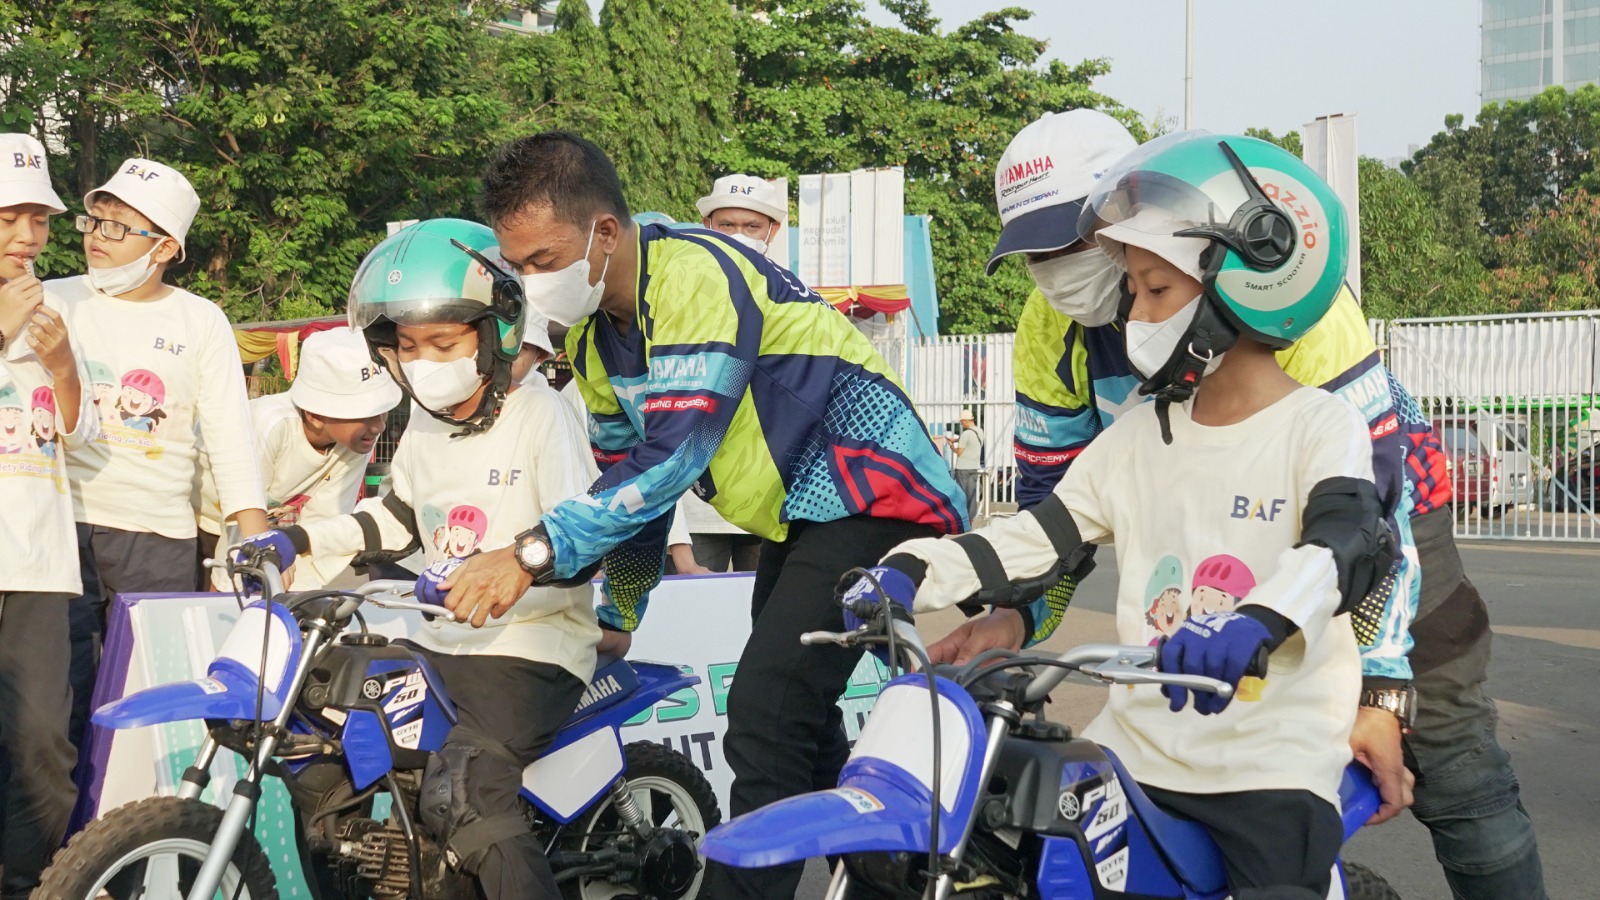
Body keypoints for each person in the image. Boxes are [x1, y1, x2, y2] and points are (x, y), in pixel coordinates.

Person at [969, 111, 1547, 897]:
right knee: (1192, 765)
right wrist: (1019, 616)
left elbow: (1372, 511)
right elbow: (1051, 503)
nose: (1057, 273)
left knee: (1450, 766)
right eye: (1036, 257)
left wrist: (1378, 692)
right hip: (1210, 542)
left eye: (1072, 244)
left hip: (1377, 529)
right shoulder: (1052, 325)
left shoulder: (1280, 284)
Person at [852, 132, 1391, 899]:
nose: (1132, 313)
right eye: (1132, 289)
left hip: (1269, 761)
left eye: (1155, 291)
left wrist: (1257, 622)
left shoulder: (1317, 425)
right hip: (1135, 747)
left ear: (1246, 284)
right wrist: (912, 571)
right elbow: (1040, 537)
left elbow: (1346, 544)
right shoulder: (1139, 433)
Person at [440, 131, 967, 899]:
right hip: (800, 516)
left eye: (543, 261)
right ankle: (891, 885)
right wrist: (622, 610)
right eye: (517, 265)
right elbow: (631, 490)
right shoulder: (593, 339)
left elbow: (674, 459)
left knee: (764, 709)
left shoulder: (695, 273)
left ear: (605, 232)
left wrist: (525, 555)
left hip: (873, 492)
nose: (530, 282)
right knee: (804, 720)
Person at [243, 218, 599, 897]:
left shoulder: (541, 415)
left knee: (465, 793)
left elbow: (583, 539)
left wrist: (511, 571)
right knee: (317, 747)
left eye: (443, 341)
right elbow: (400, 518)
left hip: (531, 650)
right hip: (438, 645)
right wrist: (299, 539)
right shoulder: (425, 426)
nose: (424, 359)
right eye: (407, 344)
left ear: (494, 334)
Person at [49, 158, 269, 752]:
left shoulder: (200, 321)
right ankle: (55, 840)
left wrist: (254, 531)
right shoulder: (50, 302)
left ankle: (134, 832)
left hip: (155, 539)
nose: (98, 237)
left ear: (166, 246)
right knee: (58, 703)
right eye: (95, 221)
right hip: (59, 527)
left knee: (144, 705)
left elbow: (229, 432)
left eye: (119, 227)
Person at [0, 132, 96, 900]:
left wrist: (61, 362)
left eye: (39, 220)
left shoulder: (53, 305)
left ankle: (38, 884)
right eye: (9, 219)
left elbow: (79, 427)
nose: (29, 238)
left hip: (37, 561)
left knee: (41, 741)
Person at [195, 327, 401, 588]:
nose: (379, 426)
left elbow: (323, 522)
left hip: (251, 526)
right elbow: (243, 516)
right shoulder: (270, 425)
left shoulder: (357, 442)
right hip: (200, 520)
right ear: (315, 415)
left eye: (383, 412)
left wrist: (294, 598)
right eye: (363, 414)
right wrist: (229, 590)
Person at [696, 173, 784, 257]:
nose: (738, 237)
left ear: (772, 230)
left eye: (752, 226)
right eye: (727, 225)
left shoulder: (779, 273)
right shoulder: (686, 271)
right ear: (708, 226)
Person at [943, 409, 983, 522]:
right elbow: (970, 441)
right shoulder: (979, 431)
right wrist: (956, 439)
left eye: (961, 422)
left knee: (962, 494)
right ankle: (971, 518)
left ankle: (962, 518)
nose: (961, 424)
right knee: (972, 493)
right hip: (974, 466)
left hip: (963, 468)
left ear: (965, 421)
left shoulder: (965, 434)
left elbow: (959, 452)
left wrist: (951, 445)